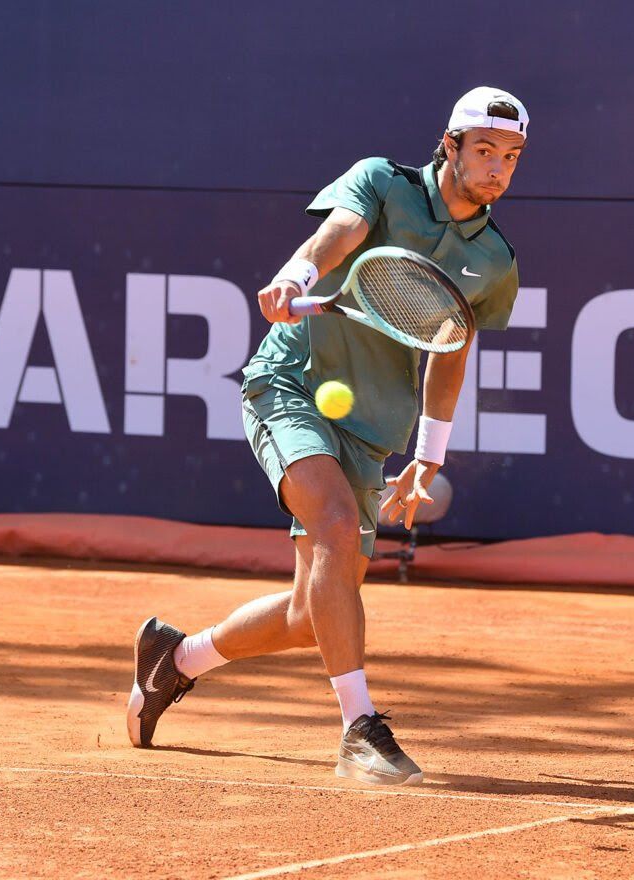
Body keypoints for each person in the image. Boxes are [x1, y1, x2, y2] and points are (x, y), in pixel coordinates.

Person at [127, 86, 528, 785]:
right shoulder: (380, 182)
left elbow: (451, 348)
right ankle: (359, 728)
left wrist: (428, 455)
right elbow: (337, 231)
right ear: (451, 145)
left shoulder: (494, 258)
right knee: (338, 530)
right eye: (485, 150)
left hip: (372, 430)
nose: (497, 167)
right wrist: (298, 273)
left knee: (314, 612)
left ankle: (175, 659)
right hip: (292, 387)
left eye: (512, 156)